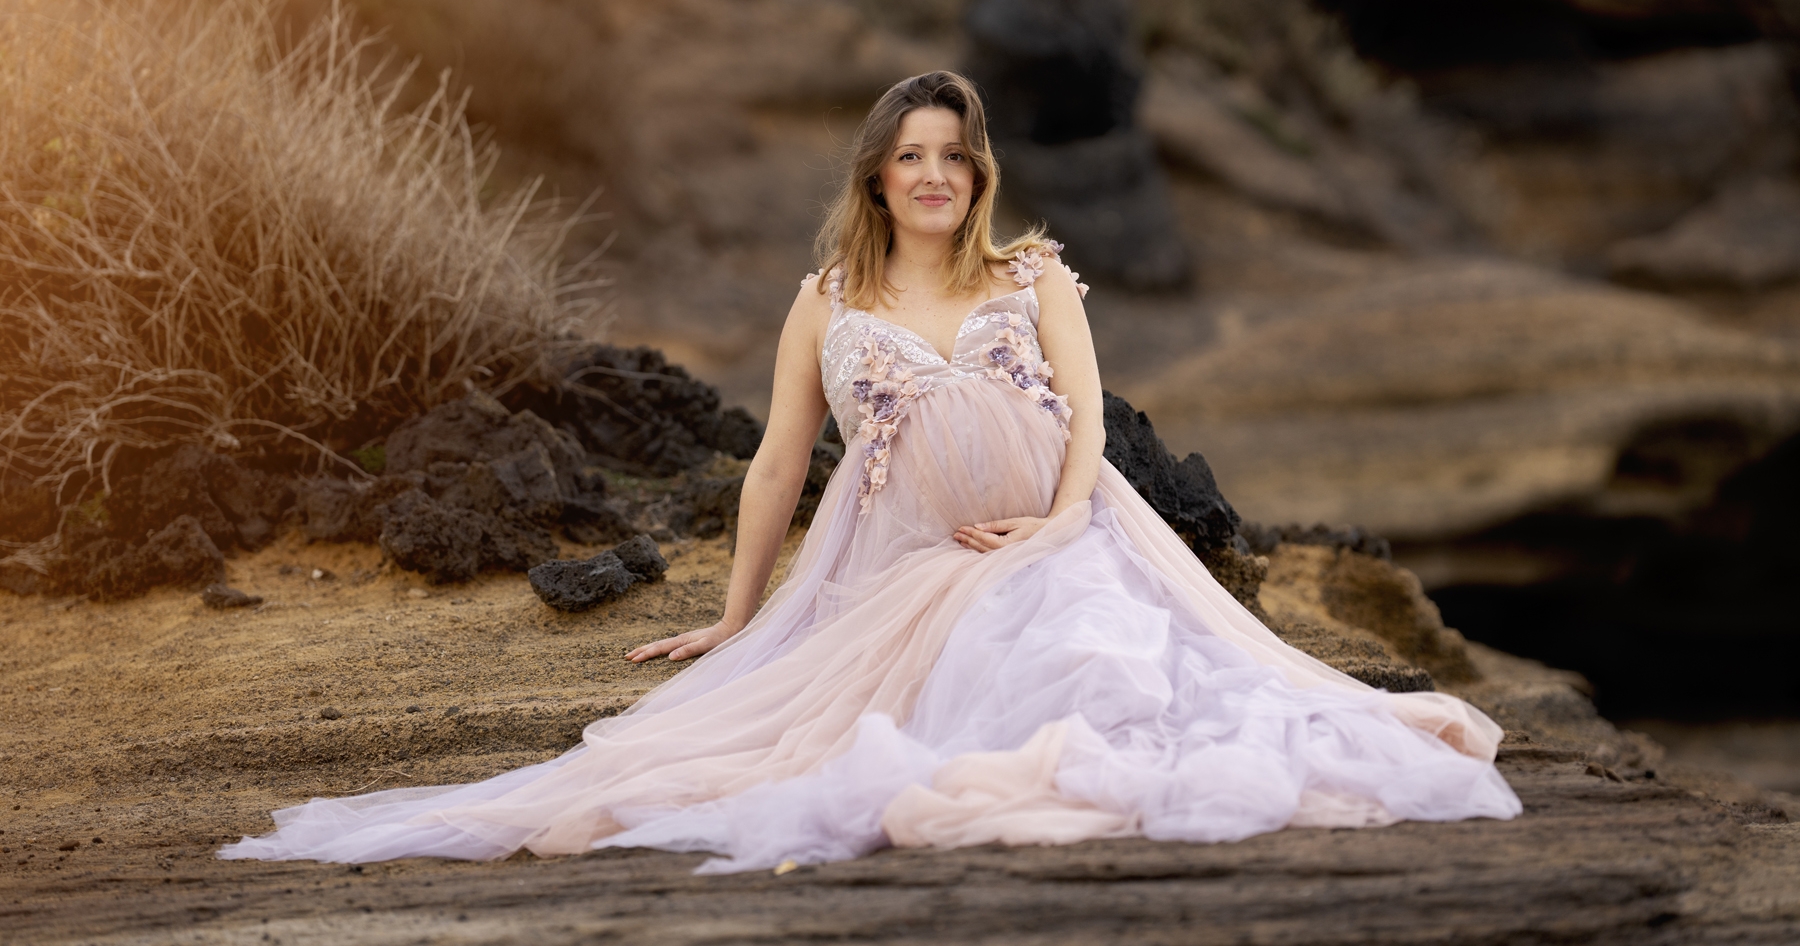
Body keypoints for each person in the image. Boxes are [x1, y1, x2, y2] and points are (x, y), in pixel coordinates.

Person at [222, 71, 1519, 872]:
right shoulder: (827, 299)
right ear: (879, 175)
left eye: (956, 155)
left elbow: (1085, 417)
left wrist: (1058, 526)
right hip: (900, 564)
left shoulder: (1035, 273)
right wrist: (738, 616)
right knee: (834, 741)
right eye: (914, 156)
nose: (937, 175)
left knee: (1107, 689)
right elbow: (781, 460)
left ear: (980, 172)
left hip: (1068, 535)